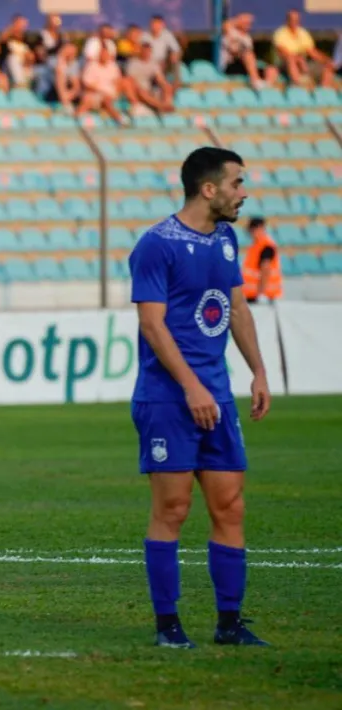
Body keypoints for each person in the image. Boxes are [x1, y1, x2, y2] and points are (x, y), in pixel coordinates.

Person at [128, 147, 272, 649]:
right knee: (173, 509)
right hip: (167, 400)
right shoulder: (156, 244)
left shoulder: (228, 239)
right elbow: (152, 323)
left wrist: (258, 371)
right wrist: (191, 387)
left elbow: (236, 307)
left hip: (217, 398)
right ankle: (169, 626)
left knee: (229, 506)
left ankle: (229, 624)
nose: (243, 192)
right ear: (208, 189)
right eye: (236, 183)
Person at [272, 10, 335, 88]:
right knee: (291, 60)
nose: (295, 22)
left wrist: (327, 60)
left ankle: (324, 92)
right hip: (284, 65)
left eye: (297, 19)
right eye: (292, 19)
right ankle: (298, 86)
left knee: (327, 67)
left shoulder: (303, 33)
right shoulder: (280, 33)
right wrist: (298, 59)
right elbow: (283, 52)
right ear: (287, 20)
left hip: (303, 64)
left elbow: (312, 52)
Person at [241, 217, 282, 304]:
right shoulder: (256, 246)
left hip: (263, 296)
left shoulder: (266, 246)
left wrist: (261, 293)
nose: (251, 233)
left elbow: (265, 270)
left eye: (252, 230)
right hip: (254, 295)